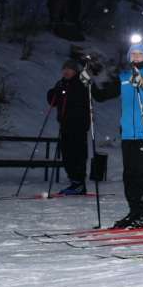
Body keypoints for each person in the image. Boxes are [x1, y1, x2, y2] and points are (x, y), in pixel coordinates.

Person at [92, 37, 143, 228]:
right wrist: (89, 82)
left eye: (140, 53)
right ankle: (135, 211)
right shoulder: (123, 77)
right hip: (128, 135)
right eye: (133, 53)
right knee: (129, 175)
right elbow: (101, 96)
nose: (136, 56)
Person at [47, 60, 91, 195]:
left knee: (77, 154)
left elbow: (83, 95)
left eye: (69, 69)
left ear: (75, 71)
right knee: (66, 154)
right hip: (65, 125)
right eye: (64, 69)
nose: (66, 71)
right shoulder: (61, 83)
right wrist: (54, 91)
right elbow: (52, 101)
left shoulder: (80, 82)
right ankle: (74, 182)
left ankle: (79, 183)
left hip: (78, 124)